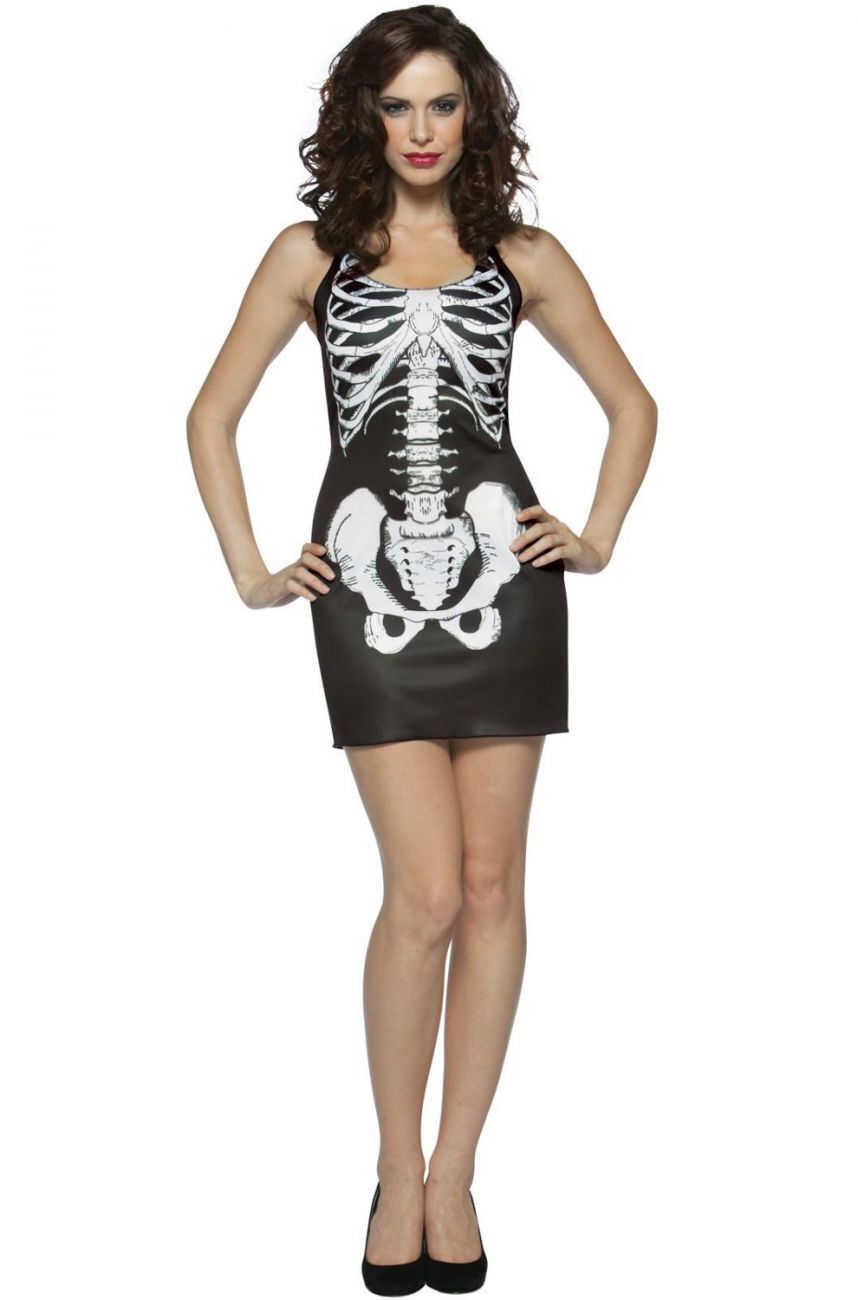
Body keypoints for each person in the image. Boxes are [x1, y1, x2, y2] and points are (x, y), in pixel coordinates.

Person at [186, 6, 657, 1294]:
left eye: (443, 103)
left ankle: (456, 1174)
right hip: (368, 593)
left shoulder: (523, 255)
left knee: (494, 887)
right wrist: (251, 570)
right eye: (397, 106)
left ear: (475, 113)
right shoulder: (314, 256)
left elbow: (632, 403)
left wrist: (595, 538)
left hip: (509, 585)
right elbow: (211, 416)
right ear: (364, 116)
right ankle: (396, 1167)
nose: (421, 130)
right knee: (427, 894)